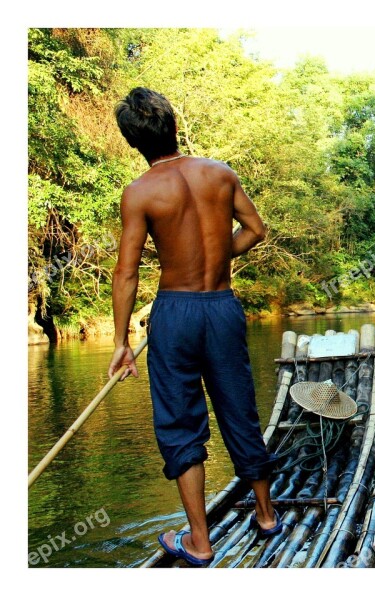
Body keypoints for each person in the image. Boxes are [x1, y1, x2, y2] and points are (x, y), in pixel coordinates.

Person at [108, 87, 281, 566]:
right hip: (222, 307)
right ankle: (266, 516)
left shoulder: (140, 192)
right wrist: (214, 255)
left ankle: (200, 543)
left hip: (175, 313)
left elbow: (126, 274)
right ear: (174, 124)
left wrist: (121, 342)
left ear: (133, 142)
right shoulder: (220, 174)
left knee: (181, 425)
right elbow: (255, 231)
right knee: (240, 411)